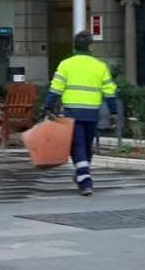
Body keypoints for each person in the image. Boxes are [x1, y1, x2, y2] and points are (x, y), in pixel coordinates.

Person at [42, 31, 118, 196]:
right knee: (86, 146)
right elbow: (110, 91)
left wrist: (47, 107)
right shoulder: (100, 66)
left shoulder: (66, 65)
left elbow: (55, 88)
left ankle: (83, 177)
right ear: (91, 46)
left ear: (74, 46)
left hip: (72, 113)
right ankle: (85, 180)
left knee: (78, 146)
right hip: (92, 114)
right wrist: (114, 112)